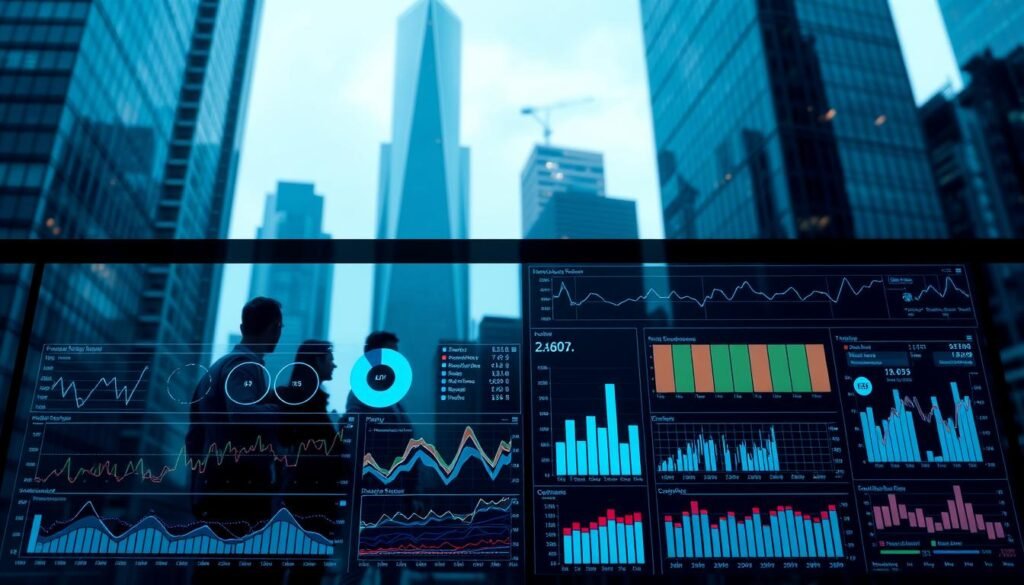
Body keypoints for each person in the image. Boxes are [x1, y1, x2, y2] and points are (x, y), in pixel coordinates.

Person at [187, 297, 285, 584]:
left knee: (213, 571)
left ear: (243, 326)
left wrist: (196, 485)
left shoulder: (213, 371)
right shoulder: (245, 365)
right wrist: (279, 411)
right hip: (241, 488)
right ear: (275, 329)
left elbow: (194, 436)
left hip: (216, 485)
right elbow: (241, 413)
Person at [281, 340, 345, 585]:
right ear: (317, 361)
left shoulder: (302, 399)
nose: (335, 364)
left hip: (303, 498)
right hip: (312, 501)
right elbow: (326, 451)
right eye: (330, 358)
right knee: (306, 572)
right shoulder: (308, 403)